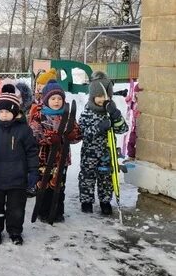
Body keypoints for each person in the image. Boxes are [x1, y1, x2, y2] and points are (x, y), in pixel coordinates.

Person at [0, 85, 38, 245]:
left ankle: (15, 231)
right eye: (1, 112)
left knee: (16, 209)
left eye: (7, 112)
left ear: (15, 112)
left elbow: (32, 152)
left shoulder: (24, 130)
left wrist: (33, 171)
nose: (4, 115)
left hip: (17, 179)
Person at [29, 80, 81, 222]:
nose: (56, 101)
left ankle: (58, 212)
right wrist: (48, 138)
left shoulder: (67, 115)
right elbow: (34, 134)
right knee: (44, 187)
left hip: (61, 160)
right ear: (46, 99)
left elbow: (77, 133)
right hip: (44, 159)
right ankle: (43, 211)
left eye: (59, 98)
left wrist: (73, 134)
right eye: (53, 98)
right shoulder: (39, 115)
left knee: (59, 186)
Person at [78, 72, 128, 215]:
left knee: (106, 178)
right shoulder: (87, 113)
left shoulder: (111, 112)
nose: (102, 99)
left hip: (107, 152)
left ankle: (105, 201)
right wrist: (98, 128)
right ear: (92, 96)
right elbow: (82, 132)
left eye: (106, 96)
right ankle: (86, 200)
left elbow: (123, 128)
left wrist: (116, 115)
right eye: (99, 96)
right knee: (87, 177)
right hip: (89, 154)